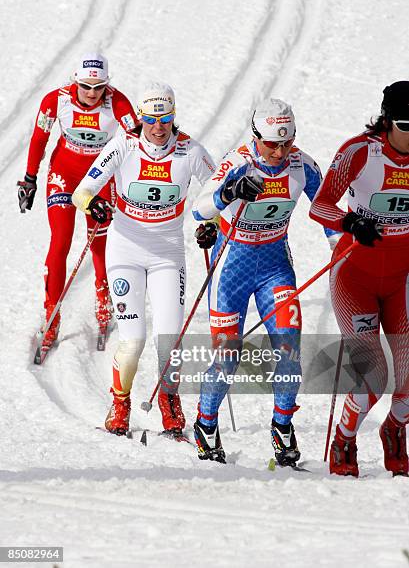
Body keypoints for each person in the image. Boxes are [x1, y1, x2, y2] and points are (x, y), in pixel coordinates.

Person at [192, 98, 338, 464]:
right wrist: (230, 193)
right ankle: (206, 424)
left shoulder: (301, 164)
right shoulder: (237, 162)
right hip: (231, 268)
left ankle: (283, 426)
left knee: (289, 350)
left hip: (275, 266)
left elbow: (326, 209)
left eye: (286, 143)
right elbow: (198, 208)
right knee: (228, 356)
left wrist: (338, 246)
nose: (279, 151)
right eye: (271, 143)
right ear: (256, 135)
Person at [72, 81, 216, 437]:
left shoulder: (190, 150)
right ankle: (120, 403)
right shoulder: (123, 145)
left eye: (165, 118)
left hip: (168, 254)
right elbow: (82, 191)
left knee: (170, 338)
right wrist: (93, 203)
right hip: (125, 250)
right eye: (151, 118)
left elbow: (218, 190)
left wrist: (210, 222)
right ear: (140, 117)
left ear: (173, 116)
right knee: (132, 339)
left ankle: (169, 400)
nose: (158, 126)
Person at [310, 81, 409, 477]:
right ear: (387, 121)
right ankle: (345, 438)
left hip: (402, 277)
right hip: (356, 275)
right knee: (374, 376)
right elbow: (320, 205)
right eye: (406, 123)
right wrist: (351, 221)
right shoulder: (359, 151)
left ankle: (395, 430)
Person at [17, 52, 138, 349]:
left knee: (99, 242)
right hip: (64, 174)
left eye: (99, 88)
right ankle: (52, 314)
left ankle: (103, 297)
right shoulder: (55, 100)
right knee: (60, 241)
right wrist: (30, 179)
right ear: (75, 81)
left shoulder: (118, 102)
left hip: (99, 177)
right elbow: (38, 139)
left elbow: (137, 142)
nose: (92, 94)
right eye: (86, 87)